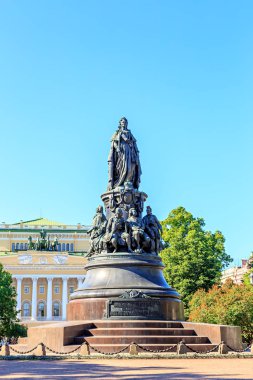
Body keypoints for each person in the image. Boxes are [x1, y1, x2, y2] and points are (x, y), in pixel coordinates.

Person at [108, 117, 141, 190]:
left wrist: (135, 152)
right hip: (122, 152)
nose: (124, 123)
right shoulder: (117, 133)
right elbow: (114, 142)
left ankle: (128, 181)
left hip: (130, 151)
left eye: (125, 122)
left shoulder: (129, 133)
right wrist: (117, 148)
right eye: (123, 122)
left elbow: (134, 143)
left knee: (131, 166)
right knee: (123, 166)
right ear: (120, 123)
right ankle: (120, 182)